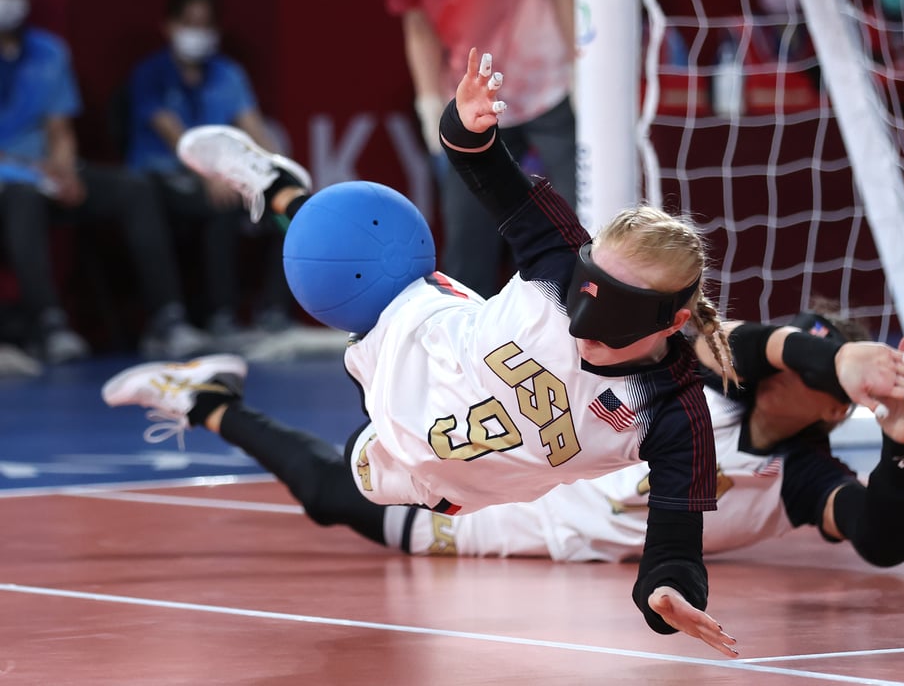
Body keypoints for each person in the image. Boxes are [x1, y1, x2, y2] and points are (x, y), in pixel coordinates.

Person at [107, 48, 743, 656]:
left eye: (615, 308)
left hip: (437, 473)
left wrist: (667, 593)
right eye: (586, 287)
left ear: (672, 321)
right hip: (418, 331)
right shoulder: (557, 252)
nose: (584, 317)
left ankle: (205, 395)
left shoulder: (675, 416)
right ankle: (275, 184)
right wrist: (466, 123)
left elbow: (675, 548)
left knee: (336, 491)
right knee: (337, 248)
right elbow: (478, 160)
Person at [102, 307, 904, 573]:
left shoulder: (803, 477)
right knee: (393, 357)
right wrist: (841, 357)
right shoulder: (708, 381)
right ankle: (285, 199)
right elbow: (761, 340)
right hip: (514, 437)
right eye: (810, 360)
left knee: (334, 494)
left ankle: (206, 399)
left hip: (507, 523)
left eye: (823, 381)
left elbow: (882, 537)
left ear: (835, 411)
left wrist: (899, 446)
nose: (791, 372)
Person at [0, 0, 208, 362]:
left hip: (47, 174)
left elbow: (60, 130)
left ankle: (166, 320)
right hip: (12, 182)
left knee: (134, 188)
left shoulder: (49, 52)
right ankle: (49, 325)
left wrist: (64, 170)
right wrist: (26, 172)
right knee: (21, 196)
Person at [125, 0, 305, 340]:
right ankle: (222, 316)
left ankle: (275, 312)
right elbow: (177, 138)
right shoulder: (150, 75)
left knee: (293, 205)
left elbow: (255, 130)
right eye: (189, 24)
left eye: (205, 25)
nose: (197, 33)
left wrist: (284, 172)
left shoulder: (228, 74)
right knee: (222, 203)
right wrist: (212, 172)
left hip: (222, 176)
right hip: (164, 179)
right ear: (169, 26)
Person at [386, 0, 577, 298]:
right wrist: (429, 101)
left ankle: (590, 322)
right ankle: (470, 336)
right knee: (467, 239)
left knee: (582, 220)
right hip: (472, 106)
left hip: (551, 89)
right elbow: (418, 24)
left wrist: (577, 64)